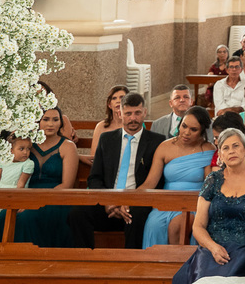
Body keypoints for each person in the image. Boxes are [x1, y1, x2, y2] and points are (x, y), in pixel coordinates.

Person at [172, 128, 245, 284]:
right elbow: (199, 226)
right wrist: (213, 247)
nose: (231, 152)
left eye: (236, 146)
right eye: (225, 148)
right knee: (198, 278)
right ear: (220, 155)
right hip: (212, 248)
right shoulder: (213, 179)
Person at [69, 92, 164, 249]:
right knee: (77, 213)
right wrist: (109, 201)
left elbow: (158, 181)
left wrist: (129, 202)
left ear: (144, 113)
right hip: (108, 202)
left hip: (137, 202)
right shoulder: (107, 139)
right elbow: (94, 178)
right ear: (120, 114)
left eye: (137, 113)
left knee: (138, 215)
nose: (133, 118)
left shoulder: (157, 141)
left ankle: (131, 264)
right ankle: (84, 260)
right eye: (128, 114)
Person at [0, 107, 78, 246]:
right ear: (37, 122)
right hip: (25, 195)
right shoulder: (28, 144)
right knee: (5, 216)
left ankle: (30, 261)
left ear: (61, 123)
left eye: (55, 120)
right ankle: (3, 261)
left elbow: (66, 185)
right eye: (45, 119)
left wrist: (36, 201)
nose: (50, 124)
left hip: (55, 198)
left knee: (25, 218)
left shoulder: (68, 146)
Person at [140, 105, 216, 248]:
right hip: (167, 201)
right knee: (153, 224)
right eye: (184, 126)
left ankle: (178, 267)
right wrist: (128, 199)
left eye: (193, 130)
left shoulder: (208, 149)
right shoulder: (164, 147)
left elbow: (209, 186)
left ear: (202, 132)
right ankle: (155, 266)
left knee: (177, 226)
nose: (186, 132)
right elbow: (150, 182)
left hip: (195, 202)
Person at [88, 85, 129, 162]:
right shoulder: (101, 126)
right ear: (109, 105)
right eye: (114, 98)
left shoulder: (133, 124)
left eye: (122, 97)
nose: (118, 101)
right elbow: (94, 156)